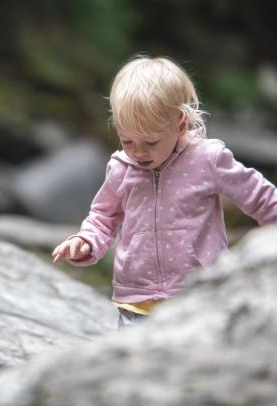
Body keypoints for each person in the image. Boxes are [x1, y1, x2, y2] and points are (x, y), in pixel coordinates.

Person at [52, 55, 277, 329]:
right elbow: (103, 218)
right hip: (136, 301)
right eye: (127, 141)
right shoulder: (121, 167)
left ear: (180, 124)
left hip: (198, 295)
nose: (138, 152)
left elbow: (260, 197)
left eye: (150, 141)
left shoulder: (208, 159)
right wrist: (85, 241)